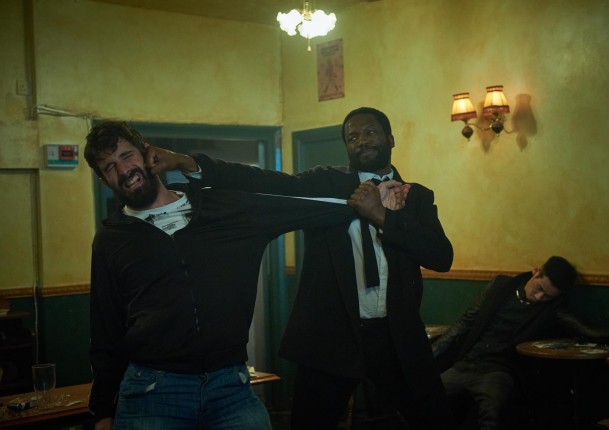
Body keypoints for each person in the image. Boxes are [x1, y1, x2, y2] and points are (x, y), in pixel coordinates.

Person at [150, 107, 455, 429]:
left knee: (435, 421)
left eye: (370, 132)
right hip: (331, 338)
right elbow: (264, 181)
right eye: (352, 137)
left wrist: (382, 216)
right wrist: (190, 163)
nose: (362, 141)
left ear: (390, 138)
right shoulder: (326, 183)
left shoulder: (416, 197)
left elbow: (441, 257)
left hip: (397, 339)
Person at [83, 121, 396, 430]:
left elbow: (299, 204)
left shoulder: (221, 208)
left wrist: (371, 204)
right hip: (152, 390)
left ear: (146, 152)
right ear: (103, 179)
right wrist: (103, 413)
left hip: (230, 386)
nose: (123, 170)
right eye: (109, 167)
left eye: (127, 156)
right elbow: (105, 330)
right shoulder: (112, 240)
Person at [432, 256, 609, 430]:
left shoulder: (553, 308)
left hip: (498, 370)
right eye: (539, 288)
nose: (538, 297)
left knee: (493, 412)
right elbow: (465, 322)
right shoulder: (501, 287)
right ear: (537, 272)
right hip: (467, 362)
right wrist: (429, 355)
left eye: (547, 296)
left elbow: (588, 331)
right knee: (428, 397)